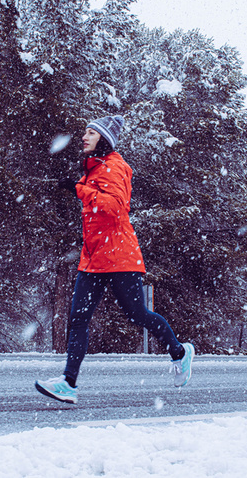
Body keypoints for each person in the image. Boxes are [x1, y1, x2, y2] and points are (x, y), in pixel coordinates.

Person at [35, 115, 194, 404]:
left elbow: (113, 207)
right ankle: (68, 383)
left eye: (90, 133)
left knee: (137, 315)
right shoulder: (94, 170)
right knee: (78, 319)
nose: (83, 137)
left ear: (104, 139)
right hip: (93, 258)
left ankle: (180, 352)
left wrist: (77, 189)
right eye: (84, 132)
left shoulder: (115, 167)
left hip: (119, 256)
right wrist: (79, 187)